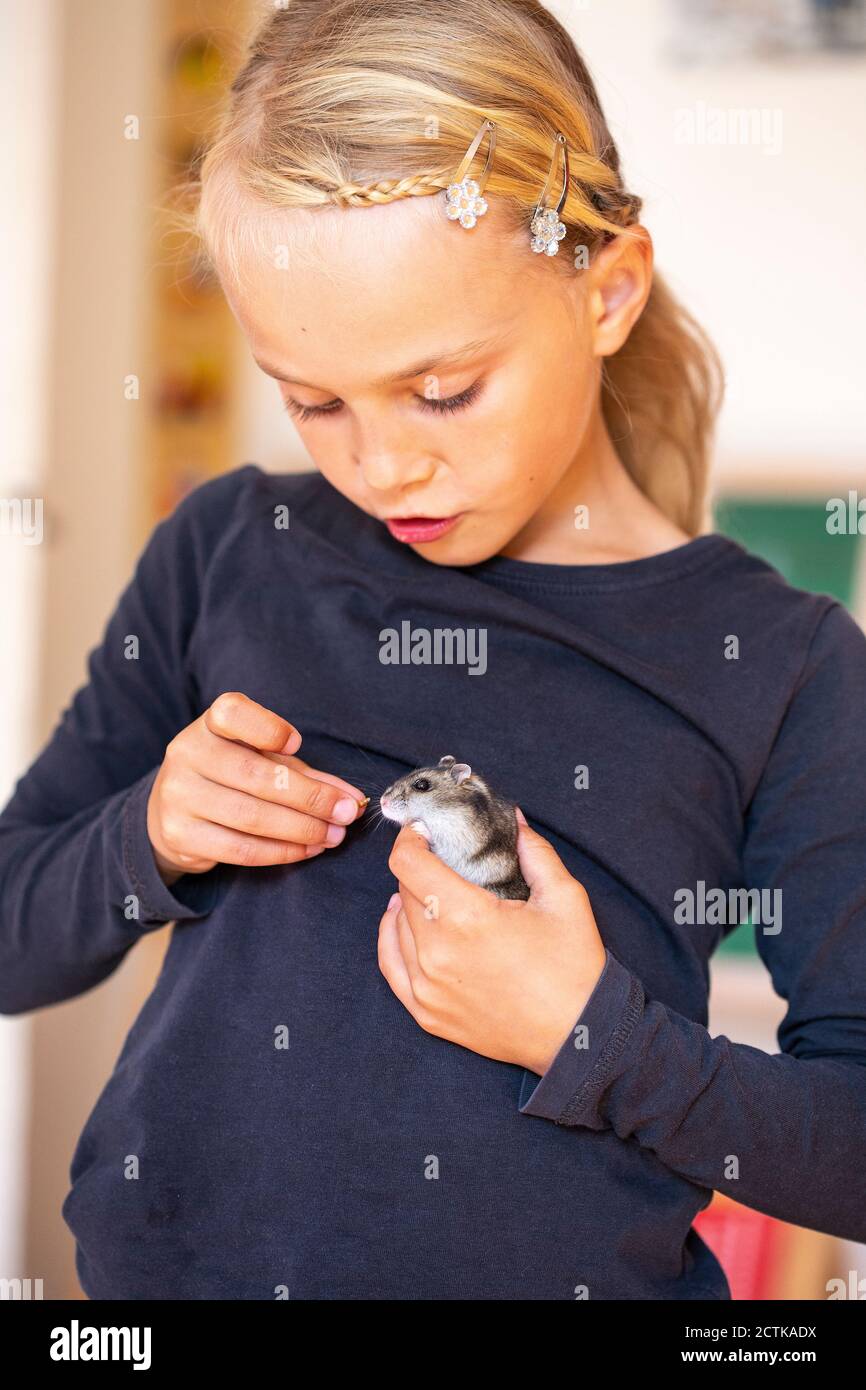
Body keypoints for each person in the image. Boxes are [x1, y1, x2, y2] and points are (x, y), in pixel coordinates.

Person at [2, 0, 865, 1301]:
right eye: (312, 401)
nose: (383, 463)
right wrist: (149, 833)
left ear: (606, 289)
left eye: (443, 389)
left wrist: (593, 1038)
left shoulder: (786, 667)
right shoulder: (228, 547)